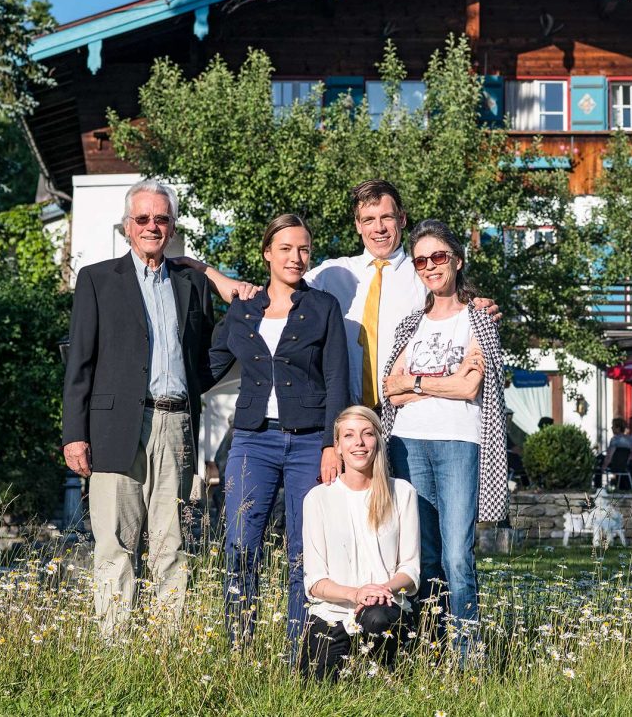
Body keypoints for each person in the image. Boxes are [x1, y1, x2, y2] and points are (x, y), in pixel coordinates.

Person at [62, 179, 223, 636]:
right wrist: (74, 432)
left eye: (161, 219)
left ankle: (166, 650)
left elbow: (205, 356)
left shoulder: (191, 283)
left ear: (172, 227)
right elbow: (80, 361)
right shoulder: (96, 279)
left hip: (176, 425)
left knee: (172, 543)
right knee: (115, 541)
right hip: (113, 427)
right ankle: (115, 648)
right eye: (143, 219)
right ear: (127, 227)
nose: (152, 226)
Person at [195, 179, 497, 407]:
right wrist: (205, 271)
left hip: (408, 409)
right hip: (349, 417)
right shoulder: (334, 274)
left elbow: (455, 304)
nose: (378, 228)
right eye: (368, 220)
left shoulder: (423, 272)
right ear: (357, 225)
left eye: (386, 218)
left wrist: (477, 303)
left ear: (402, 219)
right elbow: (273, 294)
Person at [208, 214, 350, 649]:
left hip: (309, 441)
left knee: (303, 551)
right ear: (267, 253)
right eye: (286, 248)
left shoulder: (323, 307)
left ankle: (298, 651)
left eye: (304, 248)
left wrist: (331, 445)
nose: (296, 257)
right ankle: (241, 648)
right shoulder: (243, 308)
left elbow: (337, 380)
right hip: (252, 439)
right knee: (240, 543)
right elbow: (208, 365)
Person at [381, 219, 507, 661]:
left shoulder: (478, 318)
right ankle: (429, 649)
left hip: (458, 443)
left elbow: (470, 389)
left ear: (456, 259)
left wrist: (414, 382)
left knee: (457, 555)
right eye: (420, 260)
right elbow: (387, 389)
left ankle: (467, 654)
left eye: (438, 257)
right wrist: (438, 381)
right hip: (408, 443)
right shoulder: (410, 324)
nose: (430, 266)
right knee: (425, 556)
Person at [300, 406, 420, 680]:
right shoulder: (318, 499)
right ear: (338, 446)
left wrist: (379, 591)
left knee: (377, 619)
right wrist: (356, 594)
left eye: (367, 434)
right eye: (349, 435)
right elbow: (316, 581)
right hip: (333, 610)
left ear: (378, 440)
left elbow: (410, 569)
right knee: (315, 685)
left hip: (384, 608)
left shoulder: (402, 493)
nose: (359, 443)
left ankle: (385, 671)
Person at [599, 417, 632, 487]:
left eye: (613, 426)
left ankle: (597, 487)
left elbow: (609, 456)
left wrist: (603, 467)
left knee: (598, 464)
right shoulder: (630, 439)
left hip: (615, 465)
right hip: (624, 465)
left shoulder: (614, 439)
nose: (611, 428)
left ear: (618, 428)